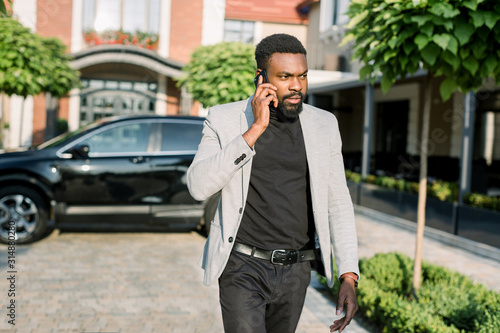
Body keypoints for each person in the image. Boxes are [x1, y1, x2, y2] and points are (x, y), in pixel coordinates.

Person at [187, 33, 359, 333]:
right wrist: (254, 130)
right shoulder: (224, 119)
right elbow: (198, 186)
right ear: (261, 77)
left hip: (297, 270)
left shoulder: (324, 124)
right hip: (242, 266)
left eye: (303, 76)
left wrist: (348, 274)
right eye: (285, 76)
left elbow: (338, 203)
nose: (297, 86)